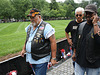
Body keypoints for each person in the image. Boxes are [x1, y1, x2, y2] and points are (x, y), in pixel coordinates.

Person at [21, 8, 57, 75]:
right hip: (31, 58)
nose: (31, 19)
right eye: (30, 17)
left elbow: (53, 42)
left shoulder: (46, 26)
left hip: (42, 59)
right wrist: (24, 49)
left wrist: (53, 58)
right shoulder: (30, 26)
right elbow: (28, 39)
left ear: (39, 17)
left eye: (33, 17)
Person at [73, 4, 100, 75]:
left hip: (93, 63)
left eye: (90, 13)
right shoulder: (81, 25)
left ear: (95, 14)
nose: (88, 15)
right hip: (80, 61)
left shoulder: (98, 26)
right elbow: (76, 41)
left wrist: (95, 23)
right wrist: (74, 53)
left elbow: (98, 41)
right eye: (86, 13)